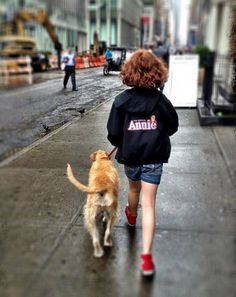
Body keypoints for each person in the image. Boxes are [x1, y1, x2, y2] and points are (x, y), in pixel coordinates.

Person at [106, 49, 178, 277]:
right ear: (156, 72)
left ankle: (131, 215)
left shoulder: (121, 101)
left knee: (133, 188)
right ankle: (146, 259)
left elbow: (113, 133)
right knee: (150, 204)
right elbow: (172, 126)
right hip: (154, 157)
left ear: (130, 72)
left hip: (132, 156)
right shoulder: (161, 100)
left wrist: (122, 140)